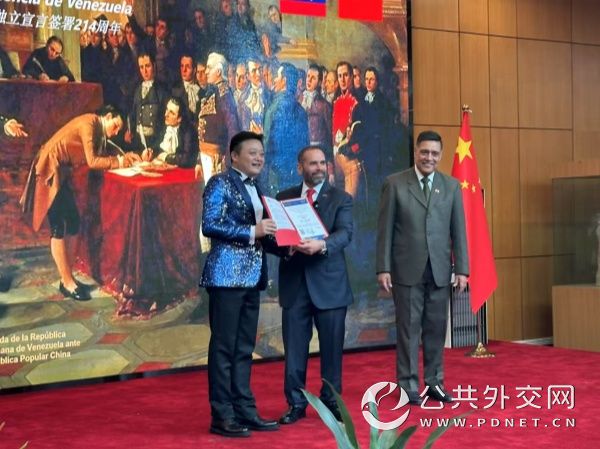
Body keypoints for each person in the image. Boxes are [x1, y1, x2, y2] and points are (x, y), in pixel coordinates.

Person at [376, 130, 469, 405]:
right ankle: (407, 386)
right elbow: (385, 230)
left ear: (441, 156)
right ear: (416, 152)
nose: (429, 157)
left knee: (436, 330)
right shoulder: (395, 184)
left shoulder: (451, 186)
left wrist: (462, 269)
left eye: (435, 153)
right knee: (408, 330)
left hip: (440, 270)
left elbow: (459, 231)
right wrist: (383, 268)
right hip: (406, 270)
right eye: (425, 152)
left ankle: (434, 382)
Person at [201, 131, 279, 438]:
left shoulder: (258, 187)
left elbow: (264, 234)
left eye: (261, 153)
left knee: (245, 348)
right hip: (226, 277)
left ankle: (245, 410)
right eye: (252, 153)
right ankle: (222, 416)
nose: (259, 158)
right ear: (234, 156)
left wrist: (288, 247)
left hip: (252, 277)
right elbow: (210, 225)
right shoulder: (219, 183)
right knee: (224, 348)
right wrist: (253, 230)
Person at [20, 106, 140, 301]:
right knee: (58, 227)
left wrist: (125, 157)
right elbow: (92, 161)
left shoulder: (98, 129)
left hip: (60, 173)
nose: (116, 131)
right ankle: (67, 282)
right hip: (50, 171)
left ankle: (67, 278)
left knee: (74, 223)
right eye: (116, 126)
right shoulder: (89, 123)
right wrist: (118, 162)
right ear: (107, 116)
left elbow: (104, 149)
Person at [276, 145, 353, 424]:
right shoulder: (283, 198)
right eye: (313, 163)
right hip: (294, 285)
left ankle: (331, 402)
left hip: (330, 286)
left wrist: (321, 245)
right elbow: (272, 238)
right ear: (300, 167)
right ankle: (296, 404)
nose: (319, 168)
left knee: (332, 350)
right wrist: (287, 247)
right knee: (294, 351)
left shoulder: (341, 198)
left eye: (322, 163)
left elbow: (345, 233)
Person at [141, 97, 198, 168]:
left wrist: (166, 157)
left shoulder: (188, 131)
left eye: (171, 113)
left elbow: (187, 159)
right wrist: (151, 152)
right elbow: (157, 146)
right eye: (167, 109)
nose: (166, 114)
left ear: (179, 119)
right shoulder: (163, 126)